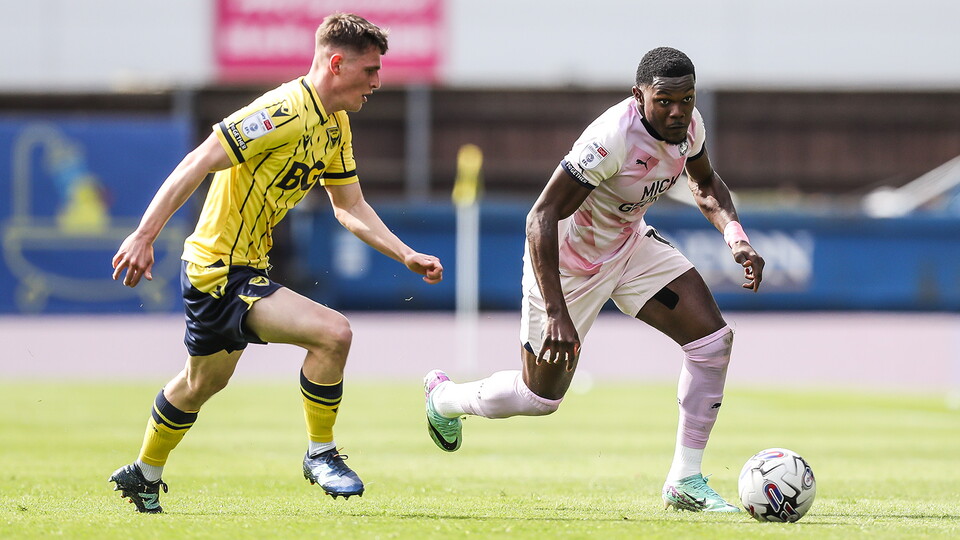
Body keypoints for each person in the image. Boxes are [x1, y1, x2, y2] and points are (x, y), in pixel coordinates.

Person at [108, 12, 443, 513]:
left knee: (203, 382)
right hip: (218, 270)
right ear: (336, 63)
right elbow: (200, 160)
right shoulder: (280, 111)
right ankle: (321, 453)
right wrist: (144, 233)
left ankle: (144, 472)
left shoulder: (336, 124)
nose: (377, 81)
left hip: (243, 267)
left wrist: (405, 253)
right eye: (369, 70)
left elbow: (348, 205)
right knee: (333, 333)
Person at [423, 47, 763, 512]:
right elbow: (539, 216)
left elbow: (704, 184)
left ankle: (685, 479)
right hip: (567, 264)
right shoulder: (609, 139)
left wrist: (735, 235)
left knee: (712, 343)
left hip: (628, 247)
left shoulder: (689, 126)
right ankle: (444, 398)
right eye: (664, 100)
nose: (678, 111)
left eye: (686, 99)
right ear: (638, 95)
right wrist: (557, 312)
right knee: (539, 397)